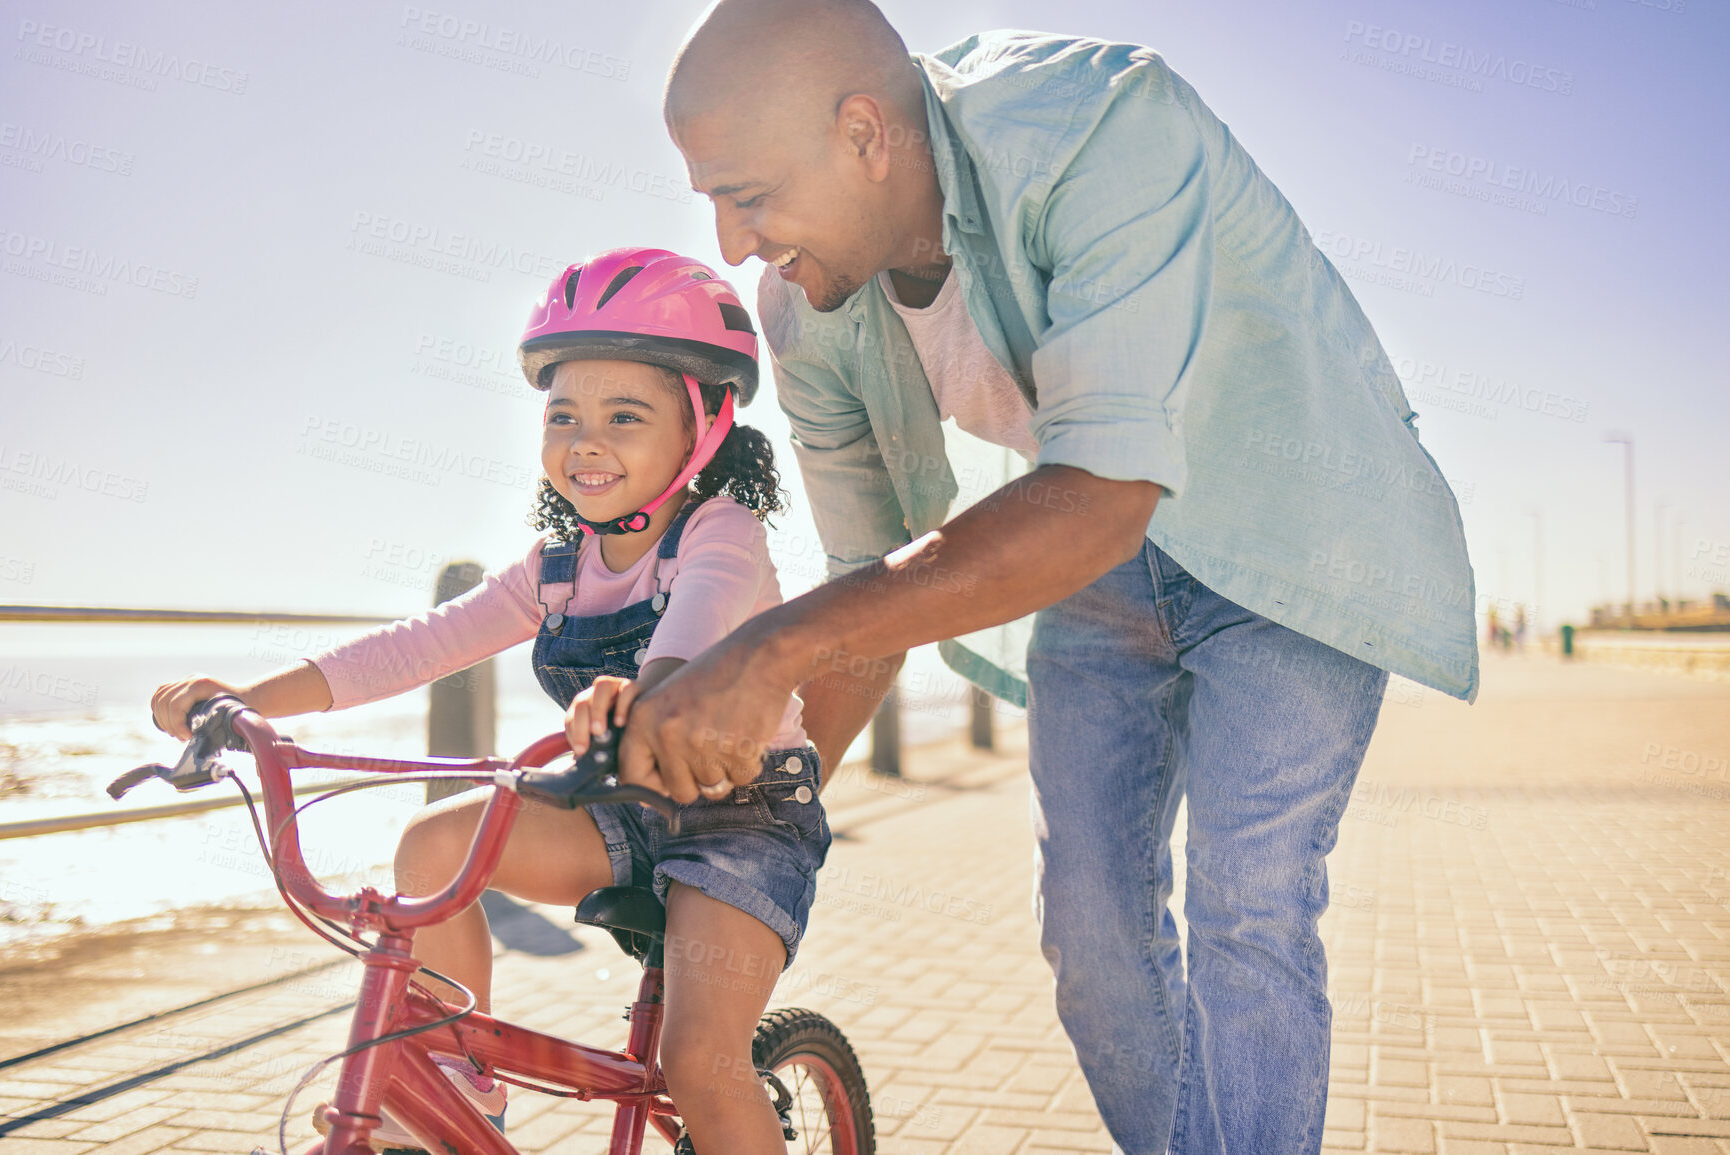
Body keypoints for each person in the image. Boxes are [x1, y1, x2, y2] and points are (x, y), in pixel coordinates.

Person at [614, 3, 1480, 1153]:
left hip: (1290, 537)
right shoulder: (805, 310)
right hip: (1100, 576)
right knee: (1090, 932)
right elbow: (863, 595)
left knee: (1248, 905)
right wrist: (747, 831)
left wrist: (761, 650)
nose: (730, 242)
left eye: (748, 194)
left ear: (865, 133)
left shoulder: (1096, 125)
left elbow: (1105, 491)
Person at [149, 247, 825, 1155]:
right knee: (432, 843)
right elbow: (415, 644)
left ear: (703, 424)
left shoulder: (721, 533)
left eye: (625, 415)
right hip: (620, 803)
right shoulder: (555, 569)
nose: (585, 441)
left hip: (742, 816)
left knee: (700, 1061)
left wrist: (645, 694)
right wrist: (248, 701)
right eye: (564, 415)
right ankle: (462, 1084)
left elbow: (692, 632)